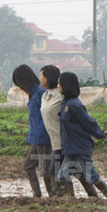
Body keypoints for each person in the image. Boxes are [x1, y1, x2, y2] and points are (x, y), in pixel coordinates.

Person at [57, 72, 107, 198]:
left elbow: (89, 122)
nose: (58, 85)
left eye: (59, 83)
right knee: (62, 176)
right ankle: (70, 200)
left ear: (66, 85)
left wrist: (100, 134)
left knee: (91, 176)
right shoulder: (66, 104)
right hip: (70, 148)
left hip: (81, 148)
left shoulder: (74, 105)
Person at [12, 64, 54, 198]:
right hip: (36, 138)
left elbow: (48, 114)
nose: (19, 87)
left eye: (19, 83)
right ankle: (37, 194)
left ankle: (54, 196)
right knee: (29, 166)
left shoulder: (41, 92)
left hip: (44, 138)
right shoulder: (32, 93)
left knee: (45, 170)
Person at [39, 65, 75, 197]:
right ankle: (64, 197)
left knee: (57, 171)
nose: (39, 79)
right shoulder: (44, 96)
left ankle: (66, 197)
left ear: (48, 79)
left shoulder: (60, 97)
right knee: (59, 171)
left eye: (41, 76)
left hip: (63, 141)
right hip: (54, 141)